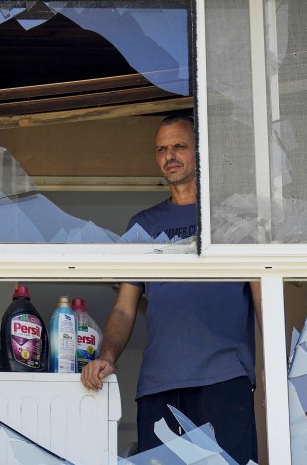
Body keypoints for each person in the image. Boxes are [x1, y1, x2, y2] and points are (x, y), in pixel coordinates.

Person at [80, 115, 262, 464]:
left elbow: (261, 295)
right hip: (159, 384)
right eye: (162, 149)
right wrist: (107, 356)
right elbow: (124, 307)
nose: (170, 156)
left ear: (200, 151)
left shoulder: (235, 219)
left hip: (224, 378)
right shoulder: (143, 225)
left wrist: (274, 362)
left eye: (179, 146)